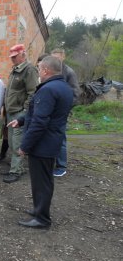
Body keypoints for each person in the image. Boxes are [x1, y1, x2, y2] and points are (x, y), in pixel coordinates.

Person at [8, 56, 73, 228]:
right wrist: (21, 120)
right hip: (51, 141)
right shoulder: (63, 87)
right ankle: (39, 209)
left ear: (46, 70)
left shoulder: (48, 89)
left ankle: (42, 219)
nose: (38, 72)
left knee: (42, 182)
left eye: (39, 68)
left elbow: (40, 121)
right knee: (43, 181)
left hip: (43, 144)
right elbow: (39, 113)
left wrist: (24, 146)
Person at [2, 44, 38, 183]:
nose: (13, 60)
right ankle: (17, 167)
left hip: (19, 113)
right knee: (11, 141)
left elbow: (33, 92)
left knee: (17, 143)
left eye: (15, 57)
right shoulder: (15, 70)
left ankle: (15, 171)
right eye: (11, 57)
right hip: (11, 112)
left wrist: (25, 111)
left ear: (23, 54)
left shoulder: (29, 70)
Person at [51, 48, 80, 177]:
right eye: (53, 58)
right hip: (50, 111)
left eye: (57, 58)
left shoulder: (69, 72)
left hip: (61, 112)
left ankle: (61, 166)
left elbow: (76, 94)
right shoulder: (52, 70)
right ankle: (51, 161)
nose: (55, 61)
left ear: (63, 57)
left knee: (60, 137)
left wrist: (64, 108)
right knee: (50, 136)